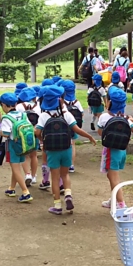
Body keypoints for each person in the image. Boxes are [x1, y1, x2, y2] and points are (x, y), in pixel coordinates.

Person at [34, 85, 96, 215]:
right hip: (66, 148)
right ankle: (68, 194)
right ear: (60, 100)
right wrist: (89, 136)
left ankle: (57, 205)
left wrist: (41, 139)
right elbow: (76, 129)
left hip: (52, 150)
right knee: (65, 174)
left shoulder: (44, 116)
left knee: (55, 178)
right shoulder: (66, 114)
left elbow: (37, 131)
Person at [98, 89, 133, 209]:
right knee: (111, 176)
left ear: (109, 102)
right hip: (122, 151)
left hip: (110, 152)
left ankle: (122, 205)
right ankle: (114, 199)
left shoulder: (104, 117)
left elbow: (100, 131)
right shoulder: (126, 119)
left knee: (114, 178)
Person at [0, 92, 34, 203]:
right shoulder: (23, 114)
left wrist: (0, 133)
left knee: (15, 168)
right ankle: (11, 188)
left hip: (12, 145)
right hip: (23, 145)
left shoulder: (6, 118)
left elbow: (6, 133)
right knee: (16, 167)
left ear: (4, 105)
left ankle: (25, 192)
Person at [15, 88, 40, 186]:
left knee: (24, 155)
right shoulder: (39, 107)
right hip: (34, 132)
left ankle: (27, 174)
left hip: (23, 132)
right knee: (34, 155)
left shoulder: (19, 106)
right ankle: (34, 176)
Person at [61, 79, 85, 173]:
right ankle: (71, 165)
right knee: (72, 144)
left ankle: (64, 164)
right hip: (73, 127)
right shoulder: (76, 102)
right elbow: (82, 113)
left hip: (63, 126)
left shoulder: (62, 102)